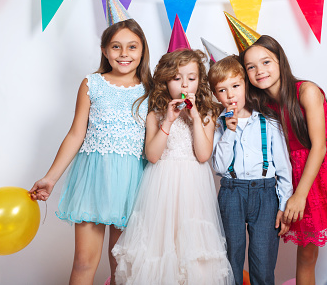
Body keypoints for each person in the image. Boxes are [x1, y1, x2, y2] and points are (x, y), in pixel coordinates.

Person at [239, 35, 327, 285]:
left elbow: (319, 147)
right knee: (306, 254)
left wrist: (298, 196)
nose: (260, 71)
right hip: (297, 174)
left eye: (266, 62)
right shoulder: (262, 106)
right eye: (251, 67)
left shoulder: (307, 91)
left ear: (280, 61)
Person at [29, 18, 153, 285]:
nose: (124, 54)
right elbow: (76, 134)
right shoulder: (92, 84)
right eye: (116, 46)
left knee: (123, 266)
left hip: (134, 185)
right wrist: (50, 178)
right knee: (84, 261)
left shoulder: (151, 90)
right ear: (105, 51)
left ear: (142, 50)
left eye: (132, 47)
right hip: (93, 181)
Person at [112, 49, 234, 285]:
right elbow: (153, 156)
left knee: (191, 249)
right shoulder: (155, 115)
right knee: (160, 245)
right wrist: (168, 120)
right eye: (177, 78)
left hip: (193, 188)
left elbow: (203, 155)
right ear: (166, 81)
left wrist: (196, 117)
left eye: (192, 78)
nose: (185, 85)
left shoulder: (207, 115)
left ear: (200, 80)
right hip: (161, 187)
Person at [209, 56, 293, 285]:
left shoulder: (269, 121)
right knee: (230, 260)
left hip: (266, 194)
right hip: (231, 193)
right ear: (215, 95)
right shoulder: (217, 124)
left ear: (246, 84)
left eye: (235, 86)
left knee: (263, 261)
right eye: (222, 90)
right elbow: (218, 167)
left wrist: (284, 205)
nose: (230, 95)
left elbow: (284, 168)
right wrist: (229, 131)